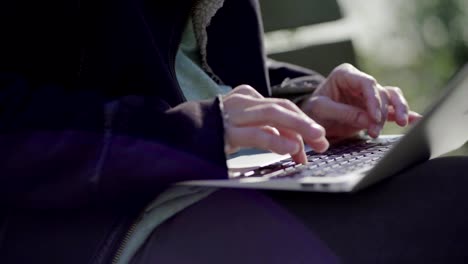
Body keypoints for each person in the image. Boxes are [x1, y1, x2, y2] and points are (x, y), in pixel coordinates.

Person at [1, 0, 468, 263]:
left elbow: (184, 67)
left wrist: (299, 107)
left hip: (225, 180)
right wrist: (191, 131)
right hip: (96, 222)